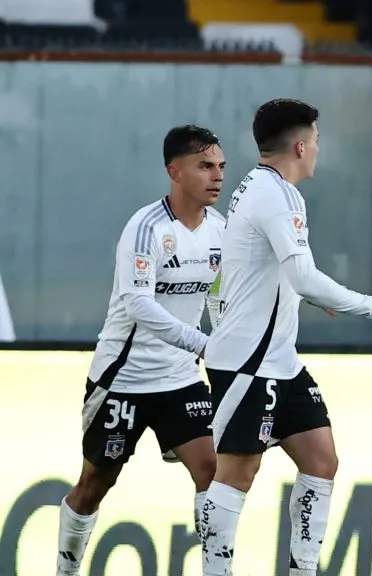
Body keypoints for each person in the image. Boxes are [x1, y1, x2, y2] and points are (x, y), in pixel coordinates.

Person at [200, 98, 372, 576]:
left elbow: (275, 273)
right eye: (315, 140)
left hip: (280, 362)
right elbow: (303, 276)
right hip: (249, 363)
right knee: (236, 474)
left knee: (321, 458)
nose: (318, 149)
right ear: (299, 145)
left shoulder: (259, 187)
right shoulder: (277, 195)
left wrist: (315, 296)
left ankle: (303, 569)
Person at [56, 125, 227, 575]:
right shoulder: (146, 227)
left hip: (181, 379)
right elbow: (138, 304)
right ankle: (66, 570)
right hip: (123, 380)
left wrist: (225, 338)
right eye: (205, 166)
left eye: (221, 167)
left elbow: (219, 297)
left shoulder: (221, 232)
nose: (217, 176)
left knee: (212, 470)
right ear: (174, 171)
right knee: (95, 483)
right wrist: (205, 344)